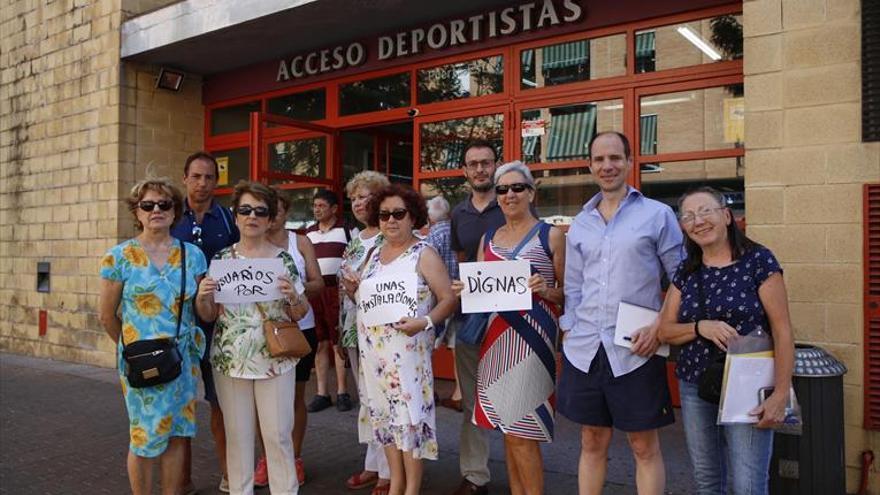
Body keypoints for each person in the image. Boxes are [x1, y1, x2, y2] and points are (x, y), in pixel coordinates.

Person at [558, 131, 683, 495]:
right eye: (599, 159)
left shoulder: (657, 215)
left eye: (615, 158)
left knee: (644, 446)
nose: (607, 166)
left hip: (636, 348)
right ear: (590, 166)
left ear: (629, 162)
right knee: (591, 440)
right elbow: (574, 286)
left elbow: (681, 279)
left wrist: (661, 325)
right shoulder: (581, 222)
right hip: (585, 349)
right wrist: (568, 329)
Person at [657, 187, 794, 495]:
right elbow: (665, 331)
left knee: (747, 484)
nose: (698, 221)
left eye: (706, 211)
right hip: (696, 384)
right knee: (707, 481)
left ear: (727, 216)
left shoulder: (759, 260)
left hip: (749, 385)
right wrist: (700, 327)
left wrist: (781, 393)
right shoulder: (687, 270)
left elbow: (782, 330)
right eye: (689, 216)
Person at [452, 162, 565, 495]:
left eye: (518, 188)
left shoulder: (551, 234)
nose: (510, 195)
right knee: (507, 430)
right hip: (495, 340)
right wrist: (466, 290)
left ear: (531, 192)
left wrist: (546, 289)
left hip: (531, 341)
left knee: (522, 433)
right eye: (502, 189)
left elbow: (571, 294)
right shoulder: (489, 237)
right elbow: (482, 292)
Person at [341, 184, 456, 495]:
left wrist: (426, 321)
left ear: (412, 216)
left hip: (407, 355)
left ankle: (412, 488)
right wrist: (353, 289)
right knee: (385, 422)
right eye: (384, 215)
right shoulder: (373, 256)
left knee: (409, 421)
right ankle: (396, 483)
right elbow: (365, 301)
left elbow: (447, 299)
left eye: (398, 214)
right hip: (374, 355)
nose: (391, 220)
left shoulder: (424, 253)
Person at [198, 181, 309, 495]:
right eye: (245, 210)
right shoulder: (221, 259)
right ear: (236, 216)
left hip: (275, 360)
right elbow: (208, 314)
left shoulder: (283, 260)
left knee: (278, 436)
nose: (252, 217)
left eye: (261, 211)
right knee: (238, 438)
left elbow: (301, 312)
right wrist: (203, 296)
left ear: (271, 218)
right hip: (230, 360)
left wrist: (291, 297)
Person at [98, 177, 208, 495]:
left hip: (182, 360)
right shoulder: (118, 257)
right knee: (144, 437)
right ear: (137, 211)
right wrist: (133, 349)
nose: (156, 210)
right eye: (148, 205)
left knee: (176, 433)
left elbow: (201, 308)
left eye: (164, 204)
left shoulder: (193, 255)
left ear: (175, 211)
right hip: (140, 360)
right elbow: (107, 315)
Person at [170, 151, 239, 493]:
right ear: (185, 178)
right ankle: (181, 480)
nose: (203, 183)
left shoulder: (228, 219)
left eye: (209, 177)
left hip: (218, 324)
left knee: (220, 404)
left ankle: (229, 474)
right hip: (177, 327)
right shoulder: (169, 217)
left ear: (217, 181)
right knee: (181, 404)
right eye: (196, 176)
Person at [250, 188, 325, 487]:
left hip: (298, 328)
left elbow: (319, 283)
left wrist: (294, 288)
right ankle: (267, 459)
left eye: (277, 209)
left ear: (284, 212)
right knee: (262, 399)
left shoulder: (300, 242)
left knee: (294, 397)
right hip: (263, 330)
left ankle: (294, 457)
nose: (273, 215)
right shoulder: (252, 244)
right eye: (267, 209)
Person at [448, 139, 505, 495]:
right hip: (471, 316)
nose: (481, 169)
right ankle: (475, 475)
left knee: (513, 396)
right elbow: (460, 261)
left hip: (511, 317)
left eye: (486, 162)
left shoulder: (512, 202)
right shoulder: (458, 213)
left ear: (495, 165)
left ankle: (522, 469)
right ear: (465, 171)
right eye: (474, 163)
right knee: (472, 399)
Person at [337, 171, 392, 494]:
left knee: (382, 399)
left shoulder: (391, 236)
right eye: (354, 198)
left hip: (383, 331)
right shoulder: (355, 240)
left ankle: (388, 471)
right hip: (354, 328)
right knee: (366, 401)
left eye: (365, 196)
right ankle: (374, 463)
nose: (358, 203)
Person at [306, 188, 356, 413]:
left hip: (338, 292)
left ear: (334, 209)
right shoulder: (307, 233)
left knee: (338, 342)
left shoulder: (348, 230)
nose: (317, 210)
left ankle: (342, 391)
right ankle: (321, 393)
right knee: (320, 342)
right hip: (316, 292)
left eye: (321, 206)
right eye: (315, 206)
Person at [426, 195, 463, 412]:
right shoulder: (457, 230)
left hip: (440, 299)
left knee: (427, 346)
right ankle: (460, 393)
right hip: (461, 295)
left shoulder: (432, 237)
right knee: (457, 346)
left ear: (429, 218)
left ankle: (429, 391)